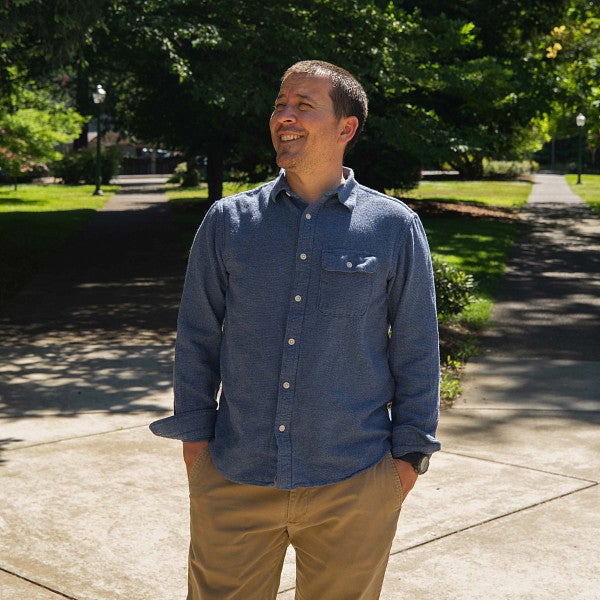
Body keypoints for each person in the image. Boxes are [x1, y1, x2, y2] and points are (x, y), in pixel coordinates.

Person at [150, 59, 441, 600]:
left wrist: (408, 459)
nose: (285, 116)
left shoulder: (394, 226)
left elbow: (419, 347)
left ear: (345, 128)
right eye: (280, 105)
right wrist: (196, 445)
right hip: (235, 475)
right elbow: (195, 336)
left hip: (353, 481)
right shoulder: (229, 221)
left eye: (304, 106)